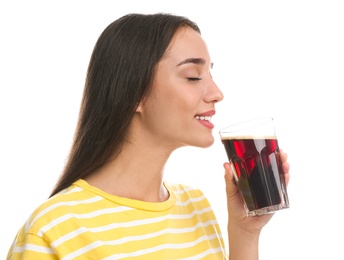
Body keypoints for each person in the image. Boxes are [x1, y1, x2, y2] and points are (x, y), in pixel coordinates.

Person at [7, 13, 290, 259]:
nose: (217, 93)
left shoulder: (196, 207)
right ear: (134, 94)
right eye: (193, 76)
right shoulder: (54, 229)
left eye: (210, 74)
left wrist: (245, 232)